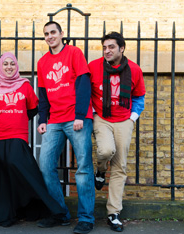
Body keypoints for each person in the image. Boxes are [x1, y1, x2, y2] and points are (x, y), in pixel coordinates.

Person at [0, 52, 66, 227]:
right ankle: (4, 216)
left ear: (16, 66)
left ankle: (55, 211)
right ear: (0, 67)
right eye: (5, 64)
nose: (9, 67)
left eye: (12, 64)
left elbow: (33, 108)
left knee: (28, 172)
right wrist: (0, 119)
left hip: (17, 136)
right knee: (1, 177)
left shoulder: (24, 85)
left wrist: (16, 120)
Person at [36, 21, 95, 234]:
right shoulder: (42, 62)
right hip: (54, 120)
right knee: (45, 166)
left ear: (62, 34)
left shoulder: (74, 53)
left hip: (76, 118)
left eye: (53, 32)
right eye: (46, 34)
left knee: (83, 168)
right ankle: (60, 213)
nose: (50, 36)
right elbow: (43, 94)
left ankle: (86, 218)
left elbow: (83, 83)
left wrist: (80, 115)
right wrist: (43, 120)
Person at [89, 32, 146, 232]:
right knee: (105, 151)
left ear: (121, 48)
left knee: (120, 166)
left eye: (111, 47)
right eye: (104, 47)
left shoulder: (135, 70)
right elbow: (85, 91)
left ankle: (113, 213)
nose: (107, 51)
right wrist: (93, 112)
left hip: (124, 120)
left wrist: (132, 118)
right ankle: (100, 171)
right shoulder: (94, 67)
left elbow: (139, 97)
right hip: (102, 117)